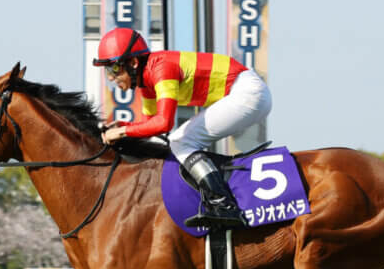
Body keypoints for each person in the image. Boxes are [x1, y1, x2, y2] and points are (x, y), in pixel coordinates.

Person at [94, 27, 272, 229]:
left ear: (133, 63)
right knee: (180, 140)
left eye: (113, 69)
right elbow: (151, 126)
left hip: (248, 93)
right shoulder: (147, 82)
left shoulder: (161, 68)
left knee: (181, 140)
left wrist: (123, 132)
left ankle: (223, 205)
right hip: (247, 93)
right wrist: (123, 126)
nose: (110, 77)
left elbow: (164, 123)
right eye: (107, 70)